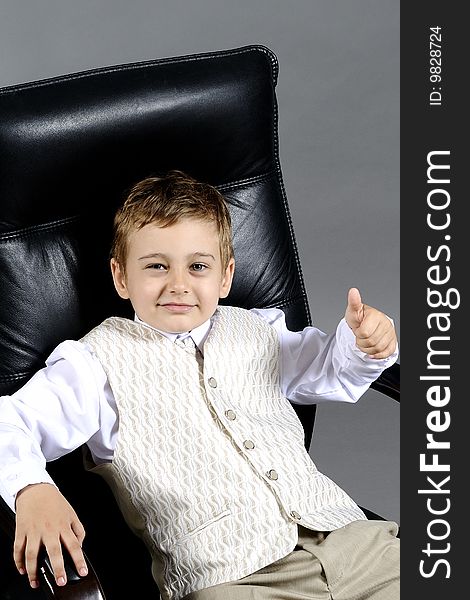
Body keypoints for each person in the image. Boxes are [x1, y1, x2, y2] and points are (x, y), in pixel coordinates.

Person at [0, 170, 399, 600]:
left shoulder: (257, 329)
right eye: (156, 266)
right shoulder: (94, 364)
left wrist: (365, 345)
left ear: (224, 276)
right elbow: (10, 421)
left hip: (351, 544)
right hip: (231, 579)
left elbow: (330, 369)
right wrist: (31, 488)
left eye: (198, 266)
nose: (178, 284)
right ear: (120, 277)